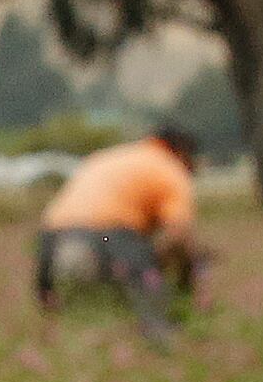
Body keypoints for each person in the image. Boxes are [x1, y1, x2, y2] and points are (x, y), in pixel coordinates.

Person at [35, 126, 201, 338]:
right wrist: (169, 268)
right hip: (106, 237)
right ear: (182, 153)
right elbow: (178, 236)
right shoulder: (169, 168)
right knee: (151, 319)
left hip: (52, 241)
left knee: (72, 326)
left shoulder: (106, 158)